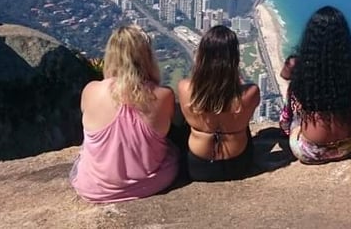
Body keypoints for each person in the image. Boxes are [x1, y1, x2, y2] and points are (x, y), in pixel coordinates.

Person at [70, 26, 178, 202]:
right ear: (147, 57)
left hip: (93, 188)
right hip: (149, 184)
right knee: (172, 150)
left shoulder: (91, 90)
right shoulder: (163, 95)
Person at [177, 25, 260, 181]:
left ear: (202, 55)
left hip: (197, 166)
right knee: (242, 118)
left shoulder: (185, 88)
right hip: (238, 165)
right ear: (234, 58)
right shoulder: (251, 92)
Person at [287, 6, 351, 164]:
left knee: (292, 89)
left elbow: (284, 75)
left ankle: (286, 125)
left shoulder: (298, 64)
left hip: (309, 151)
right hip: (347, 147)